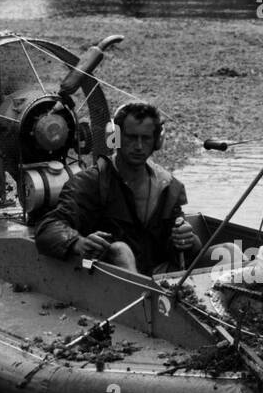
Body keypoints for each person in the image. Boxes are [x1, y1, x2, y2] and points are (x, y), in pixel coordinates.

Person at [34, 102, 198, 275]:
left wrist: (187, 239)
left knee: (227, 249)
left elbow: (180, 252)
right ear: (115, 137)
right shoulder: (90, 182)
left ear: (157, 141)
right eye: (131, 137)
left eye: (146, 138)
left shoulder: (168, 186)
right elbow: (48, 228)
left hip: (157, 277)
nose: (139, 146)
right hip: (107, 276)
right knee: (121, 250)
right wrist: (78, 243)